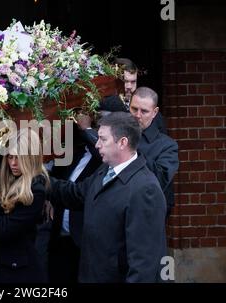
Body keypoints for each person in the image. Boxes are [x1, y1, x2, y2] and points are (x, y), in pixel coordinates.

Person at [49, 112, 167, 282]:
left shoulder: (145, 189)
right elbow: (75, 194)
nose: (97, 145)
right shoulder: (105, 170)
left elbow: (144, 263)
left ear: (122, 142)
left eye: (103, 139)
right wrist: (38, 179)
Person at [44, 95, 128, 283]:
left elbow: (79, 192)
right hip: (61, 238)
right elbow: (60, 179)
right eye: (98, 120)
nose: (100, 127)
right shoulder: (78, 150)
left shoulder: (110, 162)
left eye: (105, 123)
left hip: (86, 244)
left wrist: (87, 129)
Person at [0, 128, 50, 283]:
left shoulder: (36, 189)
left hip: (16, 273)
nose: (13, 163)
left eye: (19, 158)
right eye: (10, 157)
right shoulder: (7, 180)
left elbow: (3, 229)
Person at [129, 87, 179, 217]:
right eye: (134, 109)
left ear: (154, 112)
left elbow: (160, 179)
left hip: (148, 210)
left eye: (144, 111)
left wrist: (131, 149)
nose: (137, 115)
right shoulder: (117, 135)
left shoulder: (167, 145)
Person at [115, 57, 167, 134]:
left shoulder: (152, 112)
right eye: (125, 81)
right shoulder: (100, 106)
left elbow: (162, 141)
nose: (129, 86)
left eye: (133, 82)